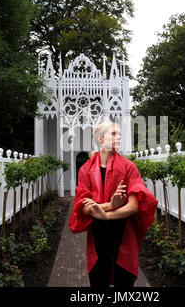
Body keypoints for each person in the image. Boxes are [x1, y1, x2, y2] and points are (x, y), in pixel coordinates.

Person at [68, 121, 158, 288]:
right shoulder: (86, 170)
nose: (119, 137)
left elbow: (133, 206)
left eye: (120, 134)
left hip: (123, 234)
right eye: (114, 134)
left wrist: (105, 215)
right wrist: (110, 205)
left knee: (124, 283)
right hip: (97, 238)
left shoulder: (128, 166)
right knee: (98, 282)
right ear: (101, 139)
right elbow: (84, 207)